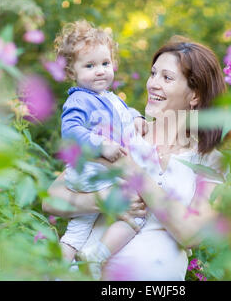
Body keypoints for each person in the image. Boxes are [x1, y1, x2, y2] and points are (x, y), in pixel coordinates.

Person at [44, 36, 229, 280]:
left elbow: (191, 233)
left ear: (194, 95)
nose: (153, 84)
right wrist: (102, 199)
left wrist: (133, 171)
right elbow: (51, 199)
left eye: (167, 77)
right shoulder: (122, 134)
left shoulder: (209, 161)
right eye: (153, 74)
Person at [53, 20, 148, 279]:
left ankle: (59, 271)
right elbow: (71, 131)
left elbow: (122, 113)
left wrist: (137, 117)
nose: (100, 71)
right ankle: (97, 258)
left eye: (105, 64)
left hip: (94, 172)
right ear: (72, 71)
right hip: (92, 169)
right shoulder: (79, 99)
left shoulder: (107, 97)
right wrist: (100, 144)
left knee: (78, 228)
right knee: (137, 211)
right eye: (90, 66)